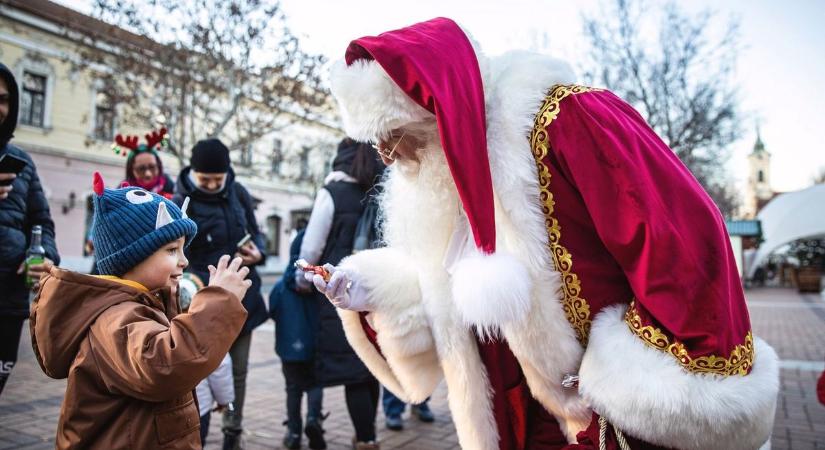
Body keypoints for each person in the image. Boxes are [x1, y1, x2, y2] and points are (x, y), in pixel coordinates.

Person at [305, 18, 779, 450]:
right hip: (515, 418)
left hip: (602, 419)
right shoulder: (440, 184)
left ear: (438, 110)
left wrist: (618, 389)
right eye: (375, 141)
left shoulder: (571, 120)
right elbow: (454, 289)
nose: (386, 155)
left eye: (392, 132)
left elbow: (684, 246)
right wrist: (377, 292)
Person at [30, 172, 250, 449]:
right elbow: (166, 366)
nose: (184, 261)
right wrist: (221, 301)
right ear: (132, 257)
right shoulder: (115, 317)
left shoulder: (139, 305)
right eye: (172, 250)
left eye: (182, 250)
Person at [173, 138, 269, 450]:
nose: (213, 185)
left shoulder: (239, 193)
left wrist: (259, 252)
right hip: (198, 300)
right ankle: (196, 432)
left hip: (241, 296)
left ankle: (232, 432)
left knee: (237, 371)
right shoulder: (180, 201)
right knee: (198, 371)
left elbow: (256, 234)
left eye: (219, 178)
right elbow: (173, 253)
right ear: (193, 174)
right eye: (206, 179)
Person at [295, 139, 384, 450]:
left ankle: (365, 439)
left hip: (340, 294)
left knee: (353, 369)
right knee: (372, 365)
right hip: (378, 289)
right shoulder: (382, 190)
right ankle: (368, 434)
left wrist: (302, 281)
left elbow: (311, 249)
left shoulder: (332, 192)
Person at [0, 63, 59, 396]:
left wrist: (42, 256)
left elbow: (42, 222)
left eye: (4, 99)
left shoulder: (21, 162)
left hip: (7, 303)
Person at [269, 225, 325, 450]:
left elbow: (273, 310)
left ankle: (293, 431)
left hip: (288, 347)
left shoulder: (282, 286)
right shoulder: (320, 286)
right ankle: (314, 419)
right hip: (315, 345)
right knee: (315, 383)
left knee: (292, 388)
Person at [120, 128, 175, 198]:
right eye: (141, 169)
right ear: (131, 170)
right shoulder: (121, 193)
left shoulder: (173, 191)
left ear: (159, 166)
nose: (148, 174)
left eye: (152, 167)